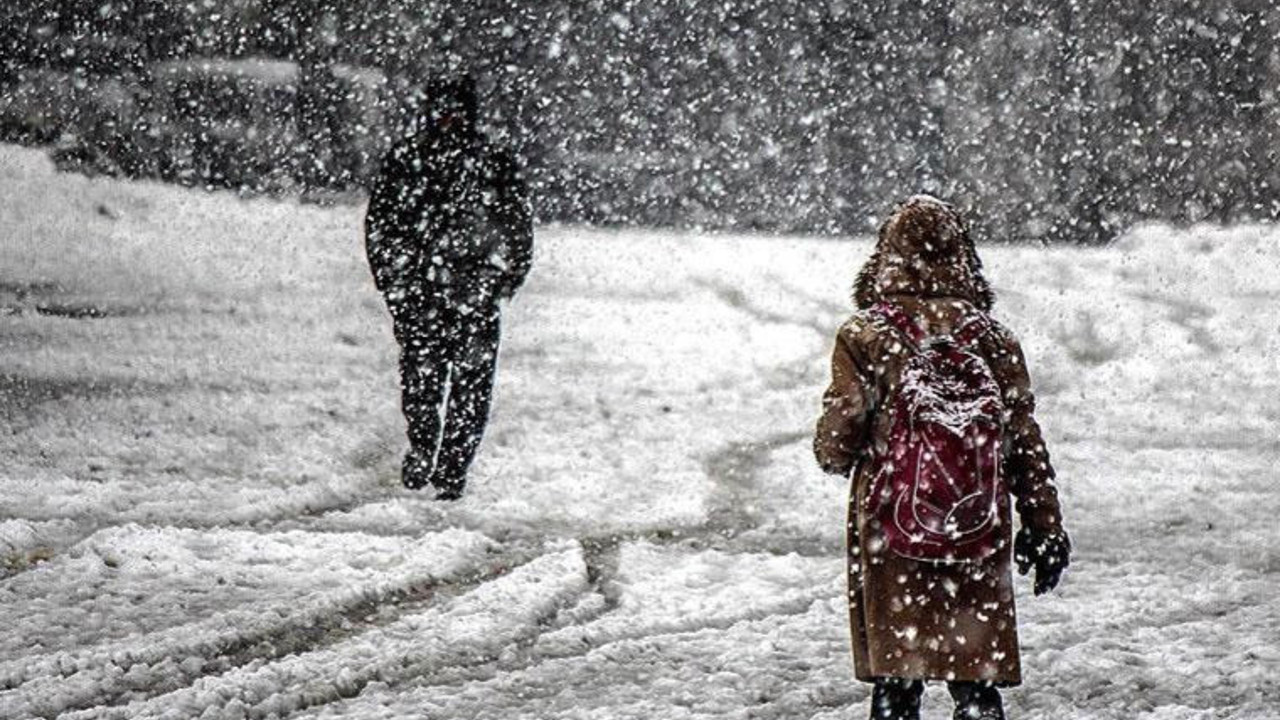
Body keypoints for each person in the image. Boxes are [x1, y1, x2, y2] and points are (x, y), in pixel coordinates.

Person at [814, 196, 1070, 720]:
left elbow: (843, 427)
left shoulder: (865, 335)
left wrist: (834, 453)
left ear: (884, 257)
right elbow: (1022, 437)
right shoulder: (993, 339)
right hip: (976, 520)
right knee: (974, 674)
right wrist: (1044, 524)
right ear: (964, 257)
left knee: (897, 681)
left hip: (893, 520)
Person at [364, 76, 533, 499]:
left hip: (473, 292)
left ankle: (453, 469)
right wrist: (395, 281)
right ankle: (423, 447)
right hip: (422, 292)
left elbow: (517, 227)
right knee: (422, 380)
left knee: (470, 389)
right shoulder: (408, 159)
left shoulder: (491, 161)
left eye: (455, 109)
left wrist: (502, 279)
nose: (448, 118)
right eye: (441, 109)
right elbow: (381, 226)